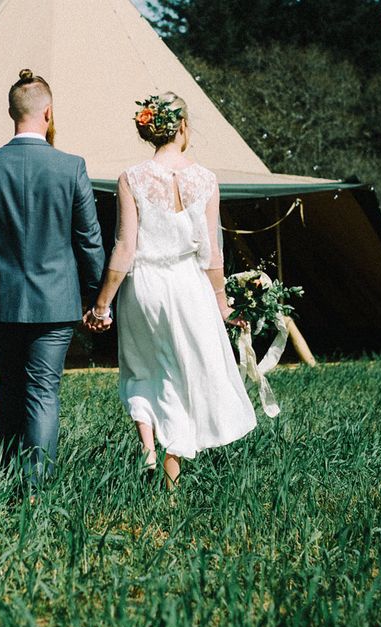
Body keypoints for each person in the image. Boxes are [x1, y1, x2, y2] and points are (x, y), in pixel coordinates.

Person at [84, 92, 256, 489]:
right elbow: (213, 252)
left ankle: (147, 447)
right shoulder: (206, 180)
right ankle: (171, 473)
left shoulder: (132, 177)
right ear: (182, 127)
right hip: (188, 285)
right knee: (181, 376)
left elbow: (124, 248)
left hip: (144, 286)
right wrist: (224, 305)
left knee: (143, 369)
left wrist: (102, 306)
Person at [0, 69, 104, 488]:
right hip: (56, 302)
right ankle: (35, 489)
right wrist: (97, 298)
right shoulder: (71, 167)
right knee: (43, 392)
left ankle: (5, 475)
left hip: (1, 299)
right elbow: (89, 241)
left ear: (10, 112)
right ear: (49, 112)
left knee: (10, 388)